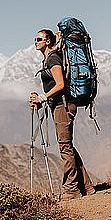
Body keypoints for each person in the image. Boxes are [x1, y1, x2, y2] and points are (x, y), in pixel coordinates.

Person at [29, 29, 95, 200]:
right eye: (35, 39)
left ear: (48, 41)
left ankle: (72, 189)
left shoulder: (53, 59)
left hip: (62, 106)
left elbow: (60, 84)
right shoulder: (49, 59)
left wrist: (43, 97)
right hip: (59, 105)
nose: (36, 42)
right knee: (68, 146)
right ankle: (87, 187)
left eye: (39, 39)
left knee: (65, 147)